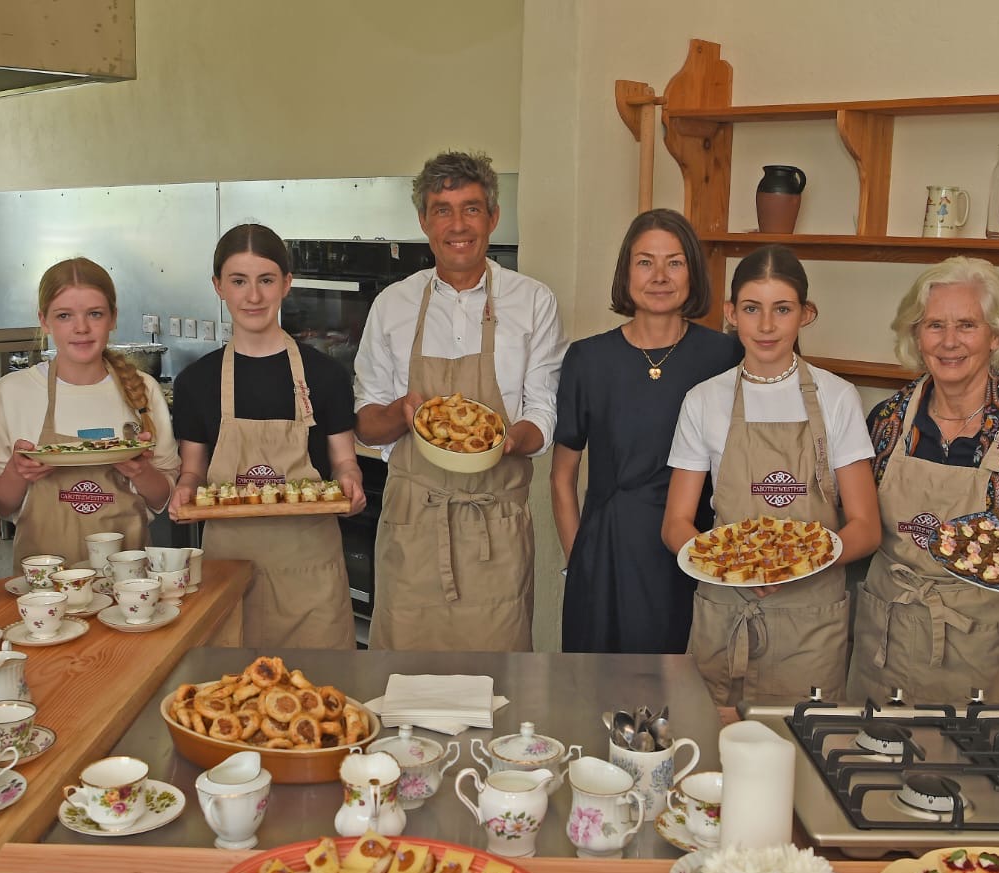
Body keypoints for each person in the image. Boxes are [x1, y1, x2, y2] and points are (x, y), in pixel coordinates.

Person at [355, 150, 567, 651]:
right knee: (402, 686)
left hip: (495, 526)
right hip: (412, 527)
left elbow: (543, 411)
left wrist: (509, 439)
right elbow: (366, 422)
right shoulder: (393, 304)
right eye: (442, 210)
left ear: (492, 217)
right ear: (424, 221)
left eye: (471, 209)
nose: (457, 225)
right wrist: (403, 414)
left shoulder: (533, 300)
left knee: (495, 690)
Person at [848, 258, 999, 706]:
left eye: (967, 325)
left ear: (996, 336)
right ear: (916, 335)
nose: (949, 342)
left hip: (984, 656)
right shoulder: (885, 424)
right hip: (884, 646)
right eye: (935, 325)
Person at [662, 245, 880, 705]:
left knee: (805, 755)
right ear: (730, 313)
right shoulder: (704, 400)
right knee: (710, 750)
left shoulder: (837, 397)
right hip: (723, 617)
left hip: (812, 623)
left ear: (805, 314)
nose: (765, 326)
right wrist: (733, 568)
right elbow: (676, 524)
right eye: (751, 309)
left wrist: (800, 563)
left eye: (782, 309)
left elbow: (865, 528)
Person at [551, 209, 741, 654]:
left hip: (692, 552)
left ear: (693, 272)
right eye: (645, 262)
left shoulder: (725, 355)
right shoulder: (587, 359)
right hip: (606, 555)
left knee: (685, 695)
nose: (659, 276)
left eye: (674, 262)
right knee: (594, 697)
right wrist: (579, 561)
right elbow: (562, 476)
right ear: (625, 272)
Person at [169, 224, 365, 649]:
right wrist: (184, 492)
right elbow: (192, 471)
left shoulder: (325, 376)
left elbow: (344, 461)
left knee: (319, 698)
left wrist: (351, 481)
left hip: (310, 578)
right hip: (229, 576)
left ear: (286, 284)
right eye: (238, 281)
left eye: (266, 280)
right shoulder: (195, 382)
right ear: (219, 286)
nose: (253, 296)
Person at [0, 258, 179, 567]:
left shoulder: (144, 391)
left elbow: (164, 500)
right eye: (64, 316)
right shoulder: (13, 392)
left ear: (113, 318)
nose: (81, 328)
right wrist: (16, 472)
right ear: (44, 321)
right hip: (43, 589)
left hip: (126, 585)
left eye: (95, 314)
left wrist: (142, 472)